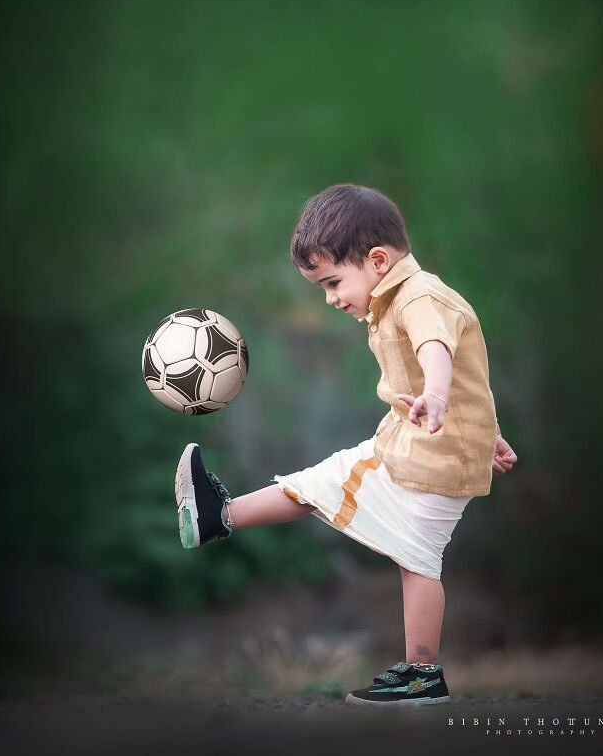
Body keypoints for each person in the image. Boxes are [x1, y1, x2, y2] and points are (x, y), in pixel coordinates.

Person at [174, 183, 517, 707]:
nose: (331, 298)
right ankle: (216, 515)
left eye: (333, 282)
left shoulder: (421, 298)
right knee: (325, 486)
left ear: (378, 260)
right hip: (422, 442)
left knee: (416, 558)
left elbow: (437, 351)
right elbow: (471, 374)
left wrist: (437, 395)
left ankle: (423, 674)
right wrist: (482, 430)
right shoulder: (395, 297)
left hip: (433, 454)